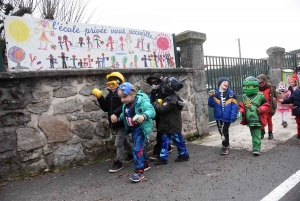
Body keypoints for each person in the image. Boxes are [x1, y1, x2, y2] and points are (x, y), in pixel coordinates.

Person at [113, 82, 156, 182]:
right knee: (139, 147)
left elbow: (152, 111)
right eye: (121, 98)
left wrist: (143, 116)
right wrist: (119, 118)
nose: (122, 100)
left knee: (136, 149)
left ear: (132, 94)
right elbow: (126, 114)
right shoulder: (126, 104)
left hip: (140, 129)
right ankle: (145, 164)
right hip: (133, 130)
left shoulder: (141, 102)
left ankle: (139, 172)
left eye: (124, 97)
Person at [92, 72, 133, 173]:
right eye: (109, 84)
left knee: (118, 142)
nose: (111, 87)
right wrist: (100, 98)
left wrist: (115, 113)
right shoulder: (110, 95)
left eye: (113, 84)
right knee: (123, 140)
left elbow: (124, 106)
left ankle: (118, 161)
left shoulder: (122, 95)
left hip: (123, 122)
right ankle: (132, 154)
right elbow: (106, 108)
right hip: (115, 123)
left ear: (119, 83)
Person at [153, 76, 190, 165]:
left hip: (172, 125)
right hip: (168, 125)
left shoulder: (171, 99)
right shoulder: (171, 96)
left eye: (163, 84)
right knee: (164, 141)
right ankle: (163, 157)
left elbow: (162, 109)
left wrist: (156, 103)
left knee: (178, 141)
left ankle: (184, 155)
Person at [238, 76, 270, 156]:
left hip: (258, 119)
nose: (247, 88)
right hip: (249, 119)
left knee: (256, 133)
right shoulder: (244, 97)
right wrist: (241, 112)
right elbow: (241, 106)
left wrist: (261, 109)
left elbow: (266, 105)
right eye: (245, 86)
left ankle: (256, 148)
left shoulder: (260, 96)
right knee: (253, 133)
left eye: (250, 86)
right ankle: (255, 145)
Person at [208, 77, 238, 155]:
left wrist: (233, 116)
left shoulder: (231, 94)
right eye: (224, 82)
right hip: (218, 117)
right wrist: (210, 98)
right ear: (220, 83)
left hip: (227, 117)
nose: (226, 83)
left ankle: (225, 146)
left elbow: (234, 107)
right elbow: (211, 104)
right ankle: (226, 141)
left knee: (224, 130)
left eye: (227, 82)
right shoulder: (215, 94)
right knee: (221, 130)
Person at [146, 73, 172, 160]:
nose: (154, 84)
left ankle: (158, 152)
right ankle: (167, 147)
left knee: (161, 133)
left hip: (165, 115)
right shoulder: (153, 92)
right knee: (162, 132)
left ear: (160, 82)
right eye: (152, 83)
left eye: (156, 82)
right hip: (157, 115)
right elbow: (150, 103)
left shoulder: (165, 91)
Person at [256, 74, 279, 140]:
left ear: (265, 81)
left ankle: (270, 132)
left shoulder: (270, 88)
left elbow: (276, 95)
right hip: (260, 108)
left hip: (269, 108)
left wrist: (279, 98)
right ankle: (262, 132)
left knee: (269, 120)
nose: (261, 84)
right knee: (261, 121)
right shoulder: (256, 88)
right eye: (259, 82)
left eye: (263, 82)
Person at [278, 73, 300, 140]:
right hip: (298, 111)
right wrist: (283, 100)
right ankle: (299, 135)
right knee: (299, 124)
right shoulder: (296, 92)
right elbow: (290, 99)